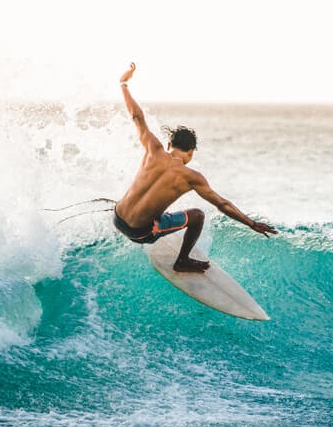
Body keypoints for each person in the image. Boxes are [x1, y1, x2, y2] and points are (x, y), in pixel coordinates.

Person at [113, 62, 277, 273]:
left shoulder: (153, 149)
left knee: (148, 200)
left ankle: (153, 219)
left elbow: (137, 117)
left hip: (117, 218)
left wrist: (124, 83)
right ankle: (183, 261)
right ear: (191, 152)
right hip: (139, 233)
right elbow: (222, 204)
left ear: (170, 145)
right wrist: (251, 223)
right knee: (197, 215)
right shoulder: (192, 177)